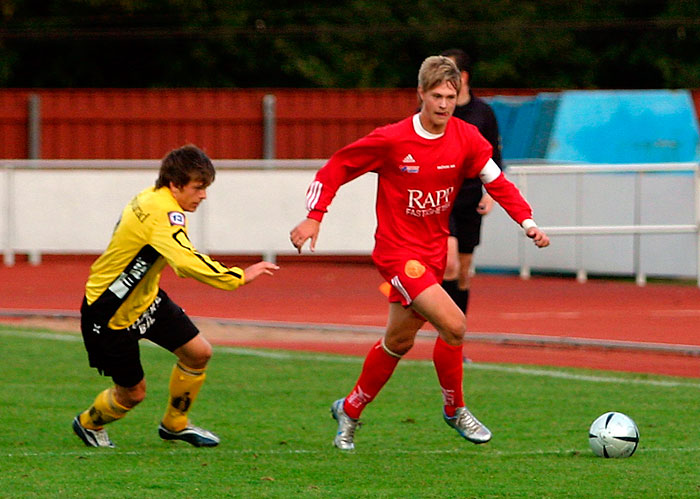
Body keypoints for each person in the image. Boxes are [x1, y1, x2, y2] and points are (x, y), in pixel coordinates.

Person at [290, 55, 549, 451]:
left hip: (430, 253)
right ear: (421, 94)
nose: (444, 104)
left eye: (451, 95)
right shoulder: (392, 139)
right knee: (456, 325)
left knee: (398, 341)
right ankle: (454, 409)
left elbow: (496, 181)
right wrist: (314, 216)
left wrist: (527, 222)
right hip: (397, 253)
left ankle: (350, 408)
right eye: (437, 96)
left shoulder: (465, 137)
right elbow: (337, 167)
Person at [73, 144, 278, 448]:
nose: (203, 195)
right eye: (198, 187)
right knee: (133, 394)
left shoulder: (152, 198)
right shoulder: (163, 212)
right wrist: (237, 277)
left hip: (144, 299)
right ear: (175, 184)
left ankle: (174, 424)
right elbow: (184, 261)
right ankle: (88, 423)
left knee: (198, 353)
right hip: (110, 311)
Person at [440, 48, 503, 316]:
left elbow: (495, 158)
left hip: (470, 198)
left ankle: (455, 338)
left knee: (463, 273)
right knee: (449, 264)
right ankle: (444, 327)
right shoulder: (434, 108)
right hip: (441, 197)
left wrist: (490, 193)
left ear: (463, 77)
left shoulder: (483, 113)